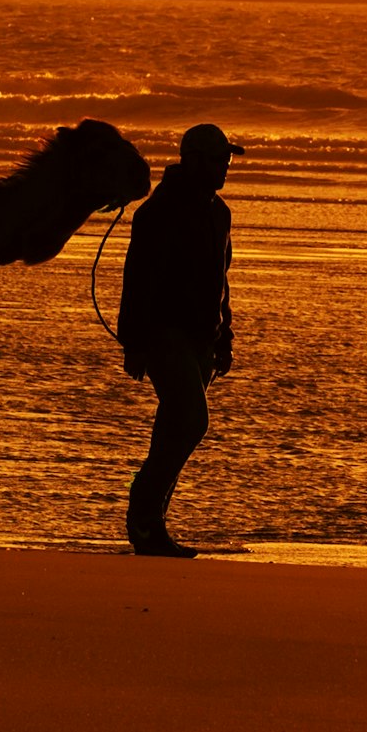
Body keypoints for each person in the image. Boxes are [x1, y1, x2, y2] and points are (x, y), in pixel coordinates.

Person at [114, 122, 236, 556]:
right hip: (164, 333)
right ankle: (143, 515)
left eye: (227, 159)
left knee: (173, 431)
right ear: (195, 159)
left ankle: (151, 526)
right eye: (220, 158)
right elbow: (139, 280)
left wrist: (225, 339)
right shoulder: (159, 210)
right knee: (191, 420)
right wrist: (134, 342)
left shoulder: (220, 213)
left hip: (203, 339)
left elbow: (222, 281)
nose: (226, 166)